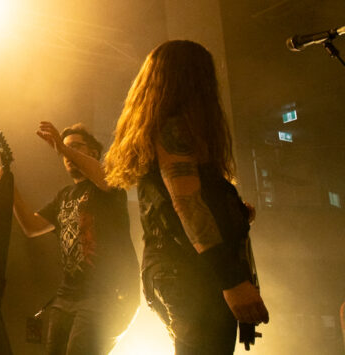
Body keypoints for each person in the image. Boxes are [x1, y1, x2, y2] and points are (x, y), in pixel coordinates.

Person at [103, 39, 269, 354]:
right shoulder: (174, 129)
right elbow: (187, 205)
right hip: (191, 273)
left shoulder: (164, 130)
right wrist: (232, 280)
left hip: (176, 270)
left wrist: (230, 211)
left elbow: (178, 200)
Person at [2, 121, 139, 354]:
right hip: (67, 297)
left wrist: (62, 147)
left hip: (107, 296)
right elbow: (31, 227)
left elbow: (104, 179)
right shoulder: (63, 196)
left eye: (75, 146)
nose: (64, 153)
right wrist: (9, 187)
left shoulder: (109, 182)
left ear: (93, 152)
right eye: (63, 149)